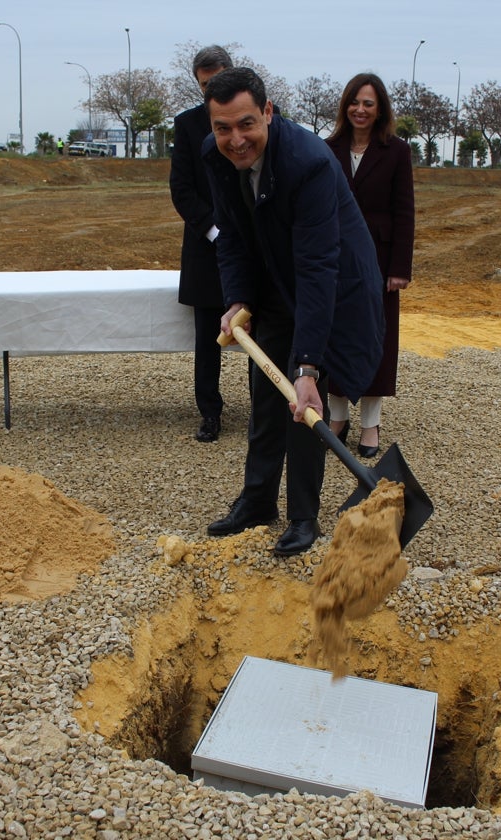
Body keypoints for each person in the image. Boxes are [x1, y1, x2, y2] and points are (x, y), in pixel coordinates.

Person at [203, 67, 385, 557]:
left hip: (331, 284)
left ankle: (304, 516)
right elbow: (232, 238)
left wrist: (307, 366)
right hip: (275, 285)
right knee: (266, 396)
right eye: (223, 128)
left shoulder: (309, 162)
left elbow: (318, 265)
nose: (235, 140)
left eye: (246, 124)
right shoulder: (214, 156)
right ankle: (258, 500)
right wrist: (239, 299)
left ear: (267, 112)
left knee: (305, 404)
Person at [323, 73, 415, 459]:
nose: (360, 110)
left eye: (369, 104)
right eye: (355, 102)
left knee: (377, 340)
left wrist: (400, 268)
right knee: (335, 337)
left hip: (378, 261)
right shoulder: (327, 148)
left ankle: (370, 423)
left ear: (380, 110)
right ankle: (338, 418)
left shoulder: (396, 151)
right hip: (336, 258)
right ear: (346, 106)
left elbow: (404, 211)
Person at [170, 45, 234, 443]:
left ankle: (265, 411)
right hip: (205, 250)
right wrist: (214, 230)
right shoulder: (188, 124)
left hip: (256, 248)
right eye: (204, 85)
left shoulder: (255, 119)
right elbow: (181, 188)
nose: (211, 91)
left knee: (262, 334)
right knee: (208, 341)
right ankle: (209, 413)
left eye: (217, 82)